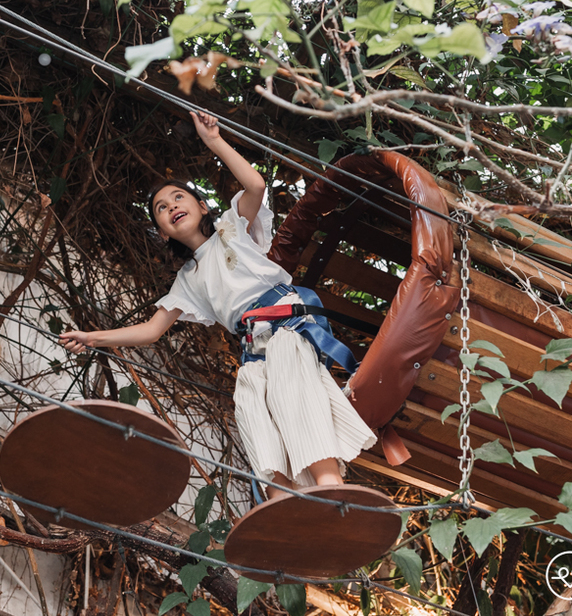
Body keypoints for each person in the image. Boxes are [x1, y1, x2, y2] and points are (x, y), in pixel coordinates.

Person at [59, 112, 375, 497]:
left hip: (286, 327)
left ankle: (329, 483)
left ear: (202, 206)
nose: (171, 206)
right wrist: (94, 338)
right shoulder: (186, 280)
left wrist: (213, 141)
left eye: (178, 197)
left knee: (292, 393)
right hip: (253, 348)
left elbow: (255, 185)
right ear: (162, 233)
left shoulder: (231, 228)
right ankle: (282, 500)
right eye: (161, 208)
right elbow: (152, 330)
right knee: (252, 411)